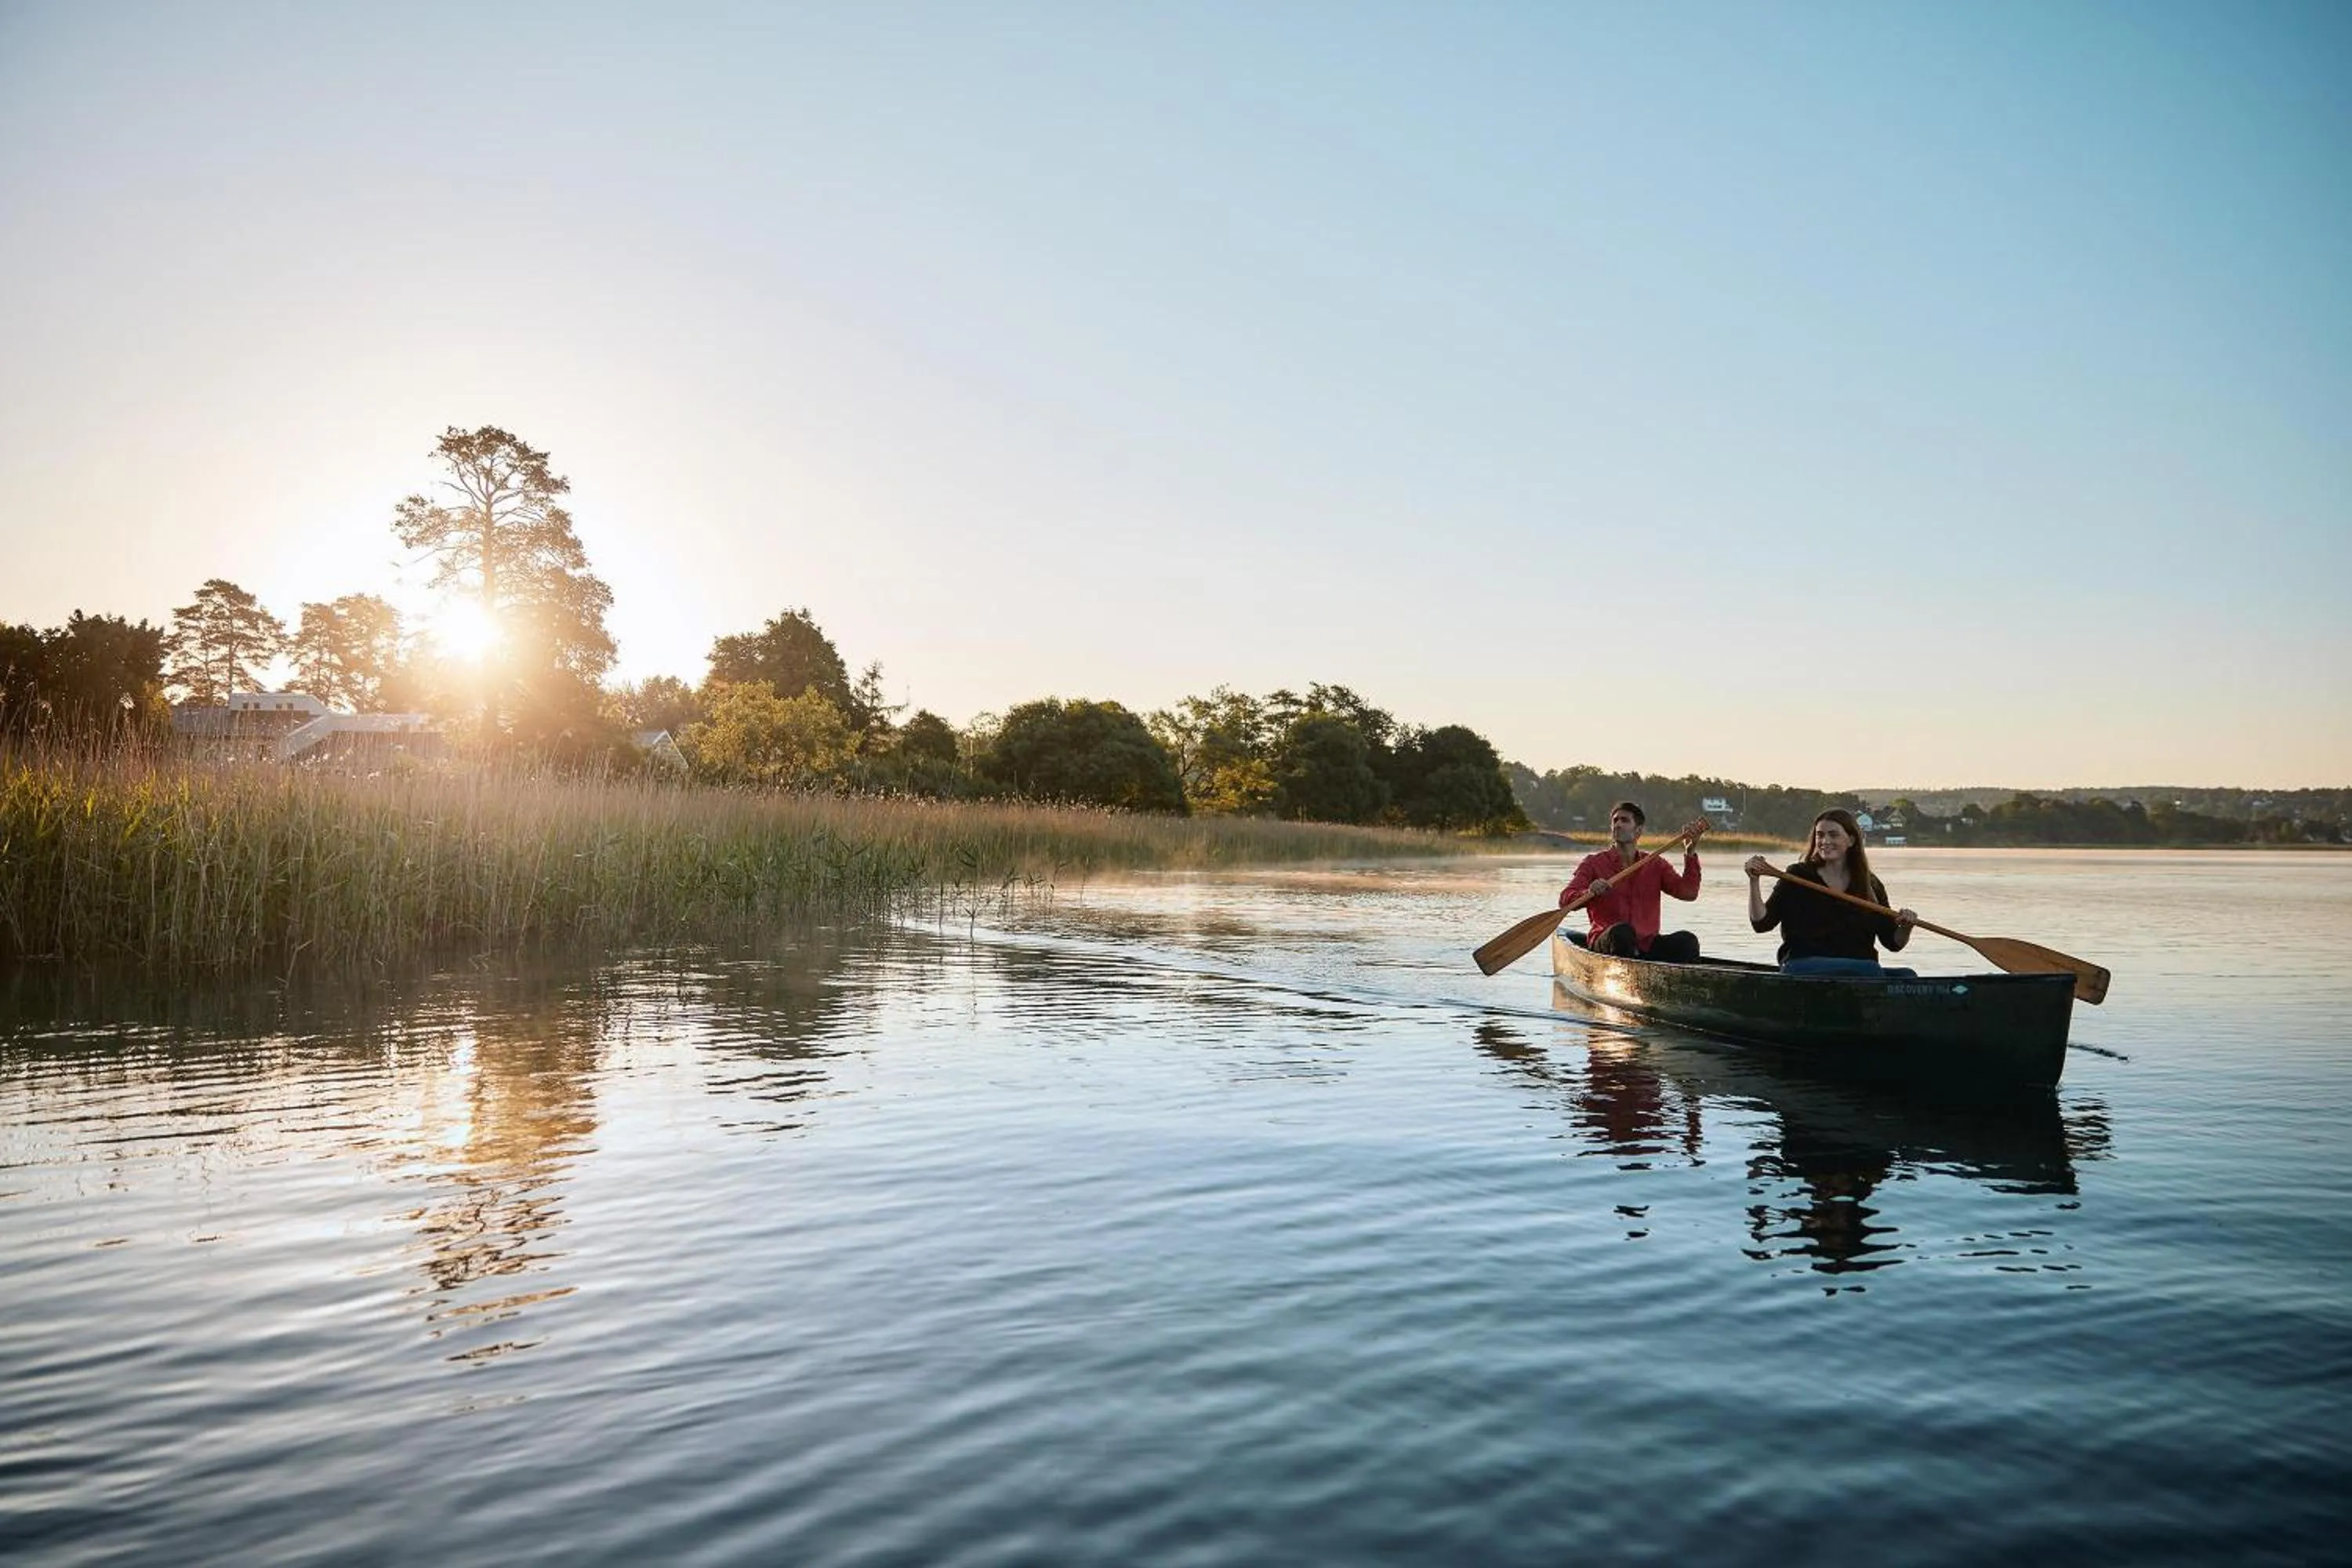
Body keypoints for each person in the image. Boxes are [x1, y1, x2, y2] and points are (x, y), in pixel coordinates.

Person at [1744, 808, 1918, 977]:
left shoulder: (1870, 884)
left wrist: (1906, 927)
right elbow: (1762, 924)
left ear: (1851, 840)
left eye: (1833, 835)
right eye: (1820, 835)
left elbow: (1893, 943)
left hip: (1861, 971)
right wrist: (1754, 881)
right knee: (1869, 969)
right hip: (1802, 966)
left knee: (1908, 976)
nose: (1825, 841)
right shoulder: (1797, 876)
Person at [1560, 800, 1702, 962]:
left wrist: (1690, 853)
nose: (1618, 825)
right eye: (1615, 820)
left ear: (1638, 831)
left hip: (1646, 946)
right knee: (1622, 932)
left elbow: (1689, 893)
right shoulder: (1593, 863)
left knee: (1687, 941)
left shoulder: (1655, 864)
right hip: (1608, 942)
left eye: (1625, 820)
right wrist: (1589, 892)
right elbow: (1565, 900)